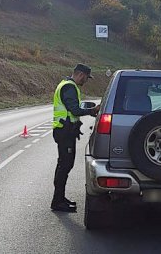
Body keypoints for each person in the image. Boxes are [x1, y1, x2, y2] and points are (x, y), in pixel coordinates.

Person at [51, 63, 100, 212]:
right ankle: (57, 201)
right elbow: (75, 110)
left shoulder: (65, 84)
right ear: (80, 74)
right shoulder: (70, 87)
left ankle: (59, 198)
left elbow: (71, 111)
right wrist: (93, 110)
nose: (85, 81)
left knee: (64, 165)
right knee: (65, 165)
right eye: (86, 78)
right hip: (64, 132)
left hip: (64, 131)